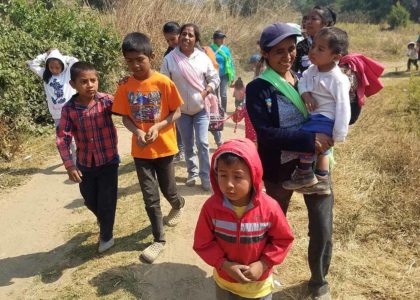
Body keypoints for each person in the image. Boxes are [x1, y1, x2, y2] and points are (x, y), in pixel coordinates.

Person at [246, 23, 335, 300]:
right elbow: (266, 134)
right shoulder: (257, 89)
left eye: (291, 49)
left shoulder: (308, 79)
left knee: (322, 225)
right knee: (272, 225)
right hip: (279, 169)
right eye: (279, 52)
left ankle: (319, 281)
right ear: (265, 53)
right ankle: (265, 271)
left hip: (317, 167)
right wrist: (309, 141)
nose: (287, 56)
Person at [113, 32, 185, 263]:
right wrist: (138, 131)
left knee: (169, 190)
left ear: (152, 57)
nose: (135, 65)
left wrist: (159, 125)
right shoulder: (125, 86)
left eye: (139, 60)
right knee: (150, 197)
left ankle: (178, 204)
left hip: (164, 148)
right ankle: (159, 240)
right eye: (130, 61)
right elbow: (125, 117)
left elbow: (177, 111)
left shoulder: (164, 82)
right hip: (141, 151)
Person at [193, 138, 294, 300]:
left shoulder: (269, 208)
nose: (229, 184)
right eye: (223, 175)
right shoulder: (211, 208)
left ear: (253, 174)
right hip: (225, 284)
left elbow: (283, 240)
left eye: (237, 177)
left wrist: (264, 264)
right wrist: (224, 265)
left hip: (259, 287)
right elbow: (202, 242)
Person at [56, 61, 119, 253]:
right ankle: (102, 218)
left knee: (107, 200)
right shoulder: (69, 109)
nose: (90, 85)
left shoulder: (107, 101)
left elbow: (125, 107)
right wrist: (70, 166)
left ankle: (106, 236)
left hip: (108, 160)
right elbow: (62, 138)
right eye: (84, 81)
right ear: (73, 84)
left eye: (93, 80)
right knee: (90, 199)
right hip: (85, 163)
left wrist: (126, 86)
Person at [282, 27, 351, 195]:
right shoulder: (312, 70)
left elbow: (343, 107)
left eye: (320, 49)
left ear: (336, 56)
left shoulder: (338, 79)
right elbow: (303, 81)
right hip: (313, 117)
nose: (313, 52)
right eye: (313, 46)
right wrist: (305, 95)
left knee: (308, 140)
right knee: (319, 149)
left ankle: (305, 174)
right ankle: (321, 179)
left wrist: (339, 134)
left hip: (326, 119)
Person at [161, 23, 220, 191]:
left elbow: (214, 78)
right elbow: (164, 83)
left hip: (200, 108)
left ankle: (205, 176)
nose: (187, 37)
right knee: (187, 144)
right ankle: (192, 173)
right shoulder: (170, 59)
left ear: (196, 39)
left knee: (202, 143)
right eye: (184, 34)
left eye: (191, 35)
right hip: (182, 112)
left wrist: (206, 90)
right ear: (179, 37)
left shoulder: (202, 58)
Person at [28, 48, 78, 163]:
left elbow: (74, 60)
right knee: (64, 138)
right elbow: (32, 64)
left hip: (71, 110)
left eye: (57, 67)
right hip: (57, 114)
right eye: (51, 67)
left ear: (62, 65)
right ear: (47, 66)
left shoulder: (67, 74)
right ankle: (69, 159)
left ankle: (76, 162)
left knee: (75, 138)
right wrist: (46, 55)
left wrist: (59, 55)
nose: (54, 70)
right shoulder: (46, 75)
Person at [162, 21, 185, 162]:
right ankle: (180, 149)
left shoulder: (193, 50)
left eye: (173, 39)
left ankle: (188, 147)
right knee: (178, 122)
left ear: (180, 35)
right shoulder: (168, 55)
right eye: (168, 40)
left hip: (194, 95)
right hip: (176, 95)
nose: (171, 43)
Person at [292, 6, 336, 74]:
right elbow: (293, 71)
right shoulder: (301, 46)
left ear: (325, 23)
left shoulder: (334, 44)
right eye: (307, 19)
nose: (308, 22)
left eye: (314, 19)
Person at [211, 30, 235, 112]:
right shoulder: (210, 49)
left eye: (223, 38)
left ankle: (224, 110)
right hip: (214, 75)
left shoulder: (226, 49)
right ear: (215, 39)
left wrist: (232, 76)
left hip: (224, 74)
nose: (222, 40)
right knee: (215, 93)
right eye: (220, 38)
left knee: (223, 94)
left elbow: (230, 62)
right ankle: (217, 109)